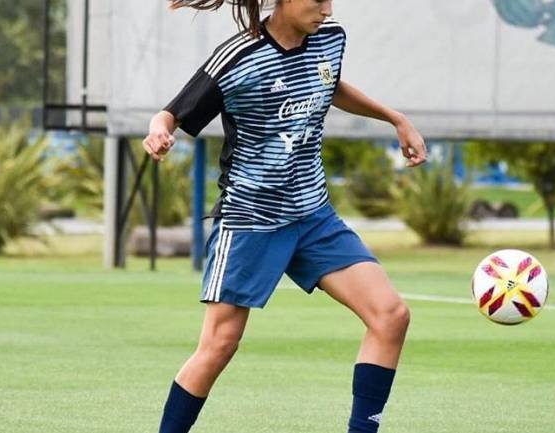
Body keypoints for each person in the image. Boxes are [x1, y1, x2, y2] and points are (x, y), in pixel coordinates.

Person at [142, 1, 427, 432]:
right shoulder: (238, 57)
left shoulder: (330, 40)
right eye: (317, 1)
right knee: (219, 345)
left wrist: (394, 118)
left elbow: (328, 85)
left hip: (313, 217)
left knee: (391, 316)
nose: (327, 10)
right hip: (251, 222)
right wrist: (159, 131)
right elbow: (172, 112)